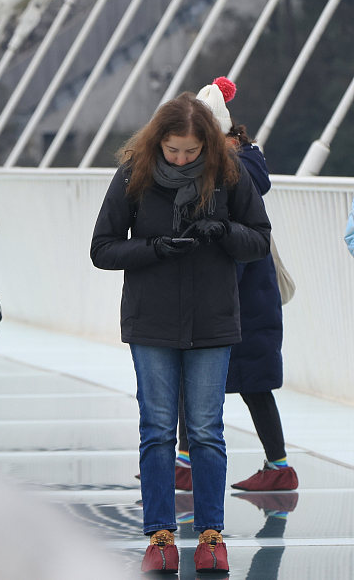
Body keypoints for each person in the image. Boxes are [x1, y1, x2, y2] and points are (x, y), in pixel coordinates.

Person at [90, 91, 270, 574]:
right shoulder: (134, 174)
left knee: (208, 431)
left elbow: (259, 241)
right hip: (151, 322)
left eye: (191, 151)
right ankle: (160, 536)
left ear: (208, 143)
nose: (182, 158)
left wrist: (224, 231)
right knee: (157, 429)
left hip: (212, 321)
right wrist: (153, 248)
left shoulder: (229, 175)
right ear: (159, 141)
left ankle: (212, 535)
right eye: (173, 150)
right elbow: (102, 248)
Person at [169, 79, 297, 494]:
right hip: (253, 298)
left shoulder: (227, 175)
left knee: (215, 379)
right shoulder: (246, 165)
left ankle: (272, 466)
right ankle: (272, 465)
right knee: (245, 383)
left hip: (237, 298)